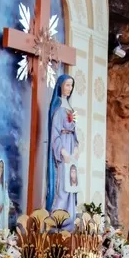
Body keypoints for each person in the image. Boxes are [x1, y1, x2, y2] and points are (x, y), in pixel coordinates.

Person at [46, 74, 79, 230]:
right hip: (64, 151)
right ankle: (57, 224)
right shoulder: (58, 108)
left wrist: (77, 147)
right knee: (63, 187)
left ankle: (69, 224)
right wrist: (63, 152)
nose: (69, 88)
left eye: (71, 85)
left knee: (72, 187)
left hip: (72, 149)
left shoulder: (71, 108)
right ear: (60, 86)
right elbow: (55, 133)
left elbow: (74, 131)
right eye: (67, 85)